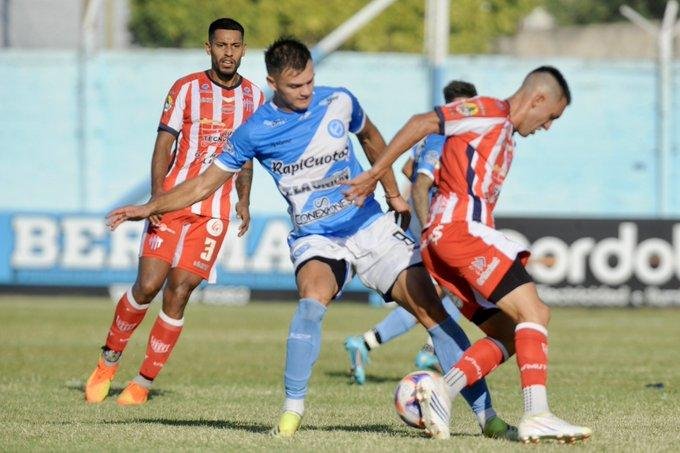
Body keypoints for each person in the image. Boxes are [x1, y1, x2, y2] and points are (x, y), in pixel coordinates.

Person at [106, 37, 515, 440]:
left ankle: (487, 417)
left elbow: (372, 139)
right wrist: (151, 206)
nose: (305, 92)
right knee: (311, 302)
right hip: (317, 237)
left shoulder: (338, 100)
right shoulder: (255, 131)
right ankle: (291, 412)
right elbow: (202, 185)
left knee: (433, 313)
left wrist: (391, 191)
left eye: (309, 82)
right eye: (294, 86)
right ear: (272, 83)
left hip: (369, 226)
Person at [345, 66, 592, 443]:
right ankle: (538, 414)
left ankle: (443, 391)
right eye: (552, 116)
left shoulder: (505, 134)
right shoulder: (490, 111)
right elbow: (423, 122)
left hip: (447, 243)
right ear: (538, 99)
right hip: (460, 232)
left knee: (509, 333)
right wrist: (377, 172)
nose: (548, 126)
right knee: (536, 312)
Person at [84, 18, 264, 406]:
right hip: (173, 201)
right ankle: (108, 359)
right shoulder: (185, 89)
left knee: (179, 292)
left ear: (244, 50)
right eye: (221, 45)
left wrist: (244, 200)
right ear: (208, 48)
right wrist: (156, 198)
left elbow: (246, 156)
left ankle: (143, 382)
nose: (228, 52)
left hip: (213, 212)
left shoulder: (255, 97)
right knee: (147, 285)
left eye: (235, 46)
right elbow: (163, 146)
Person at [344, 81, 479, 381]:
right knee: (440, 294)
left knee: (450, 293)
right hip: (432, 223)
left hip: (432, 222)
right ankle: (375, 343)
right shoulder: (444, 136)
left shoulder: (433, 135)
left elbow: (408, 169)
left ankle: (405, 347)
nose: (469, 113)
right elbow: (419, 181)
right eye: (465, 107)